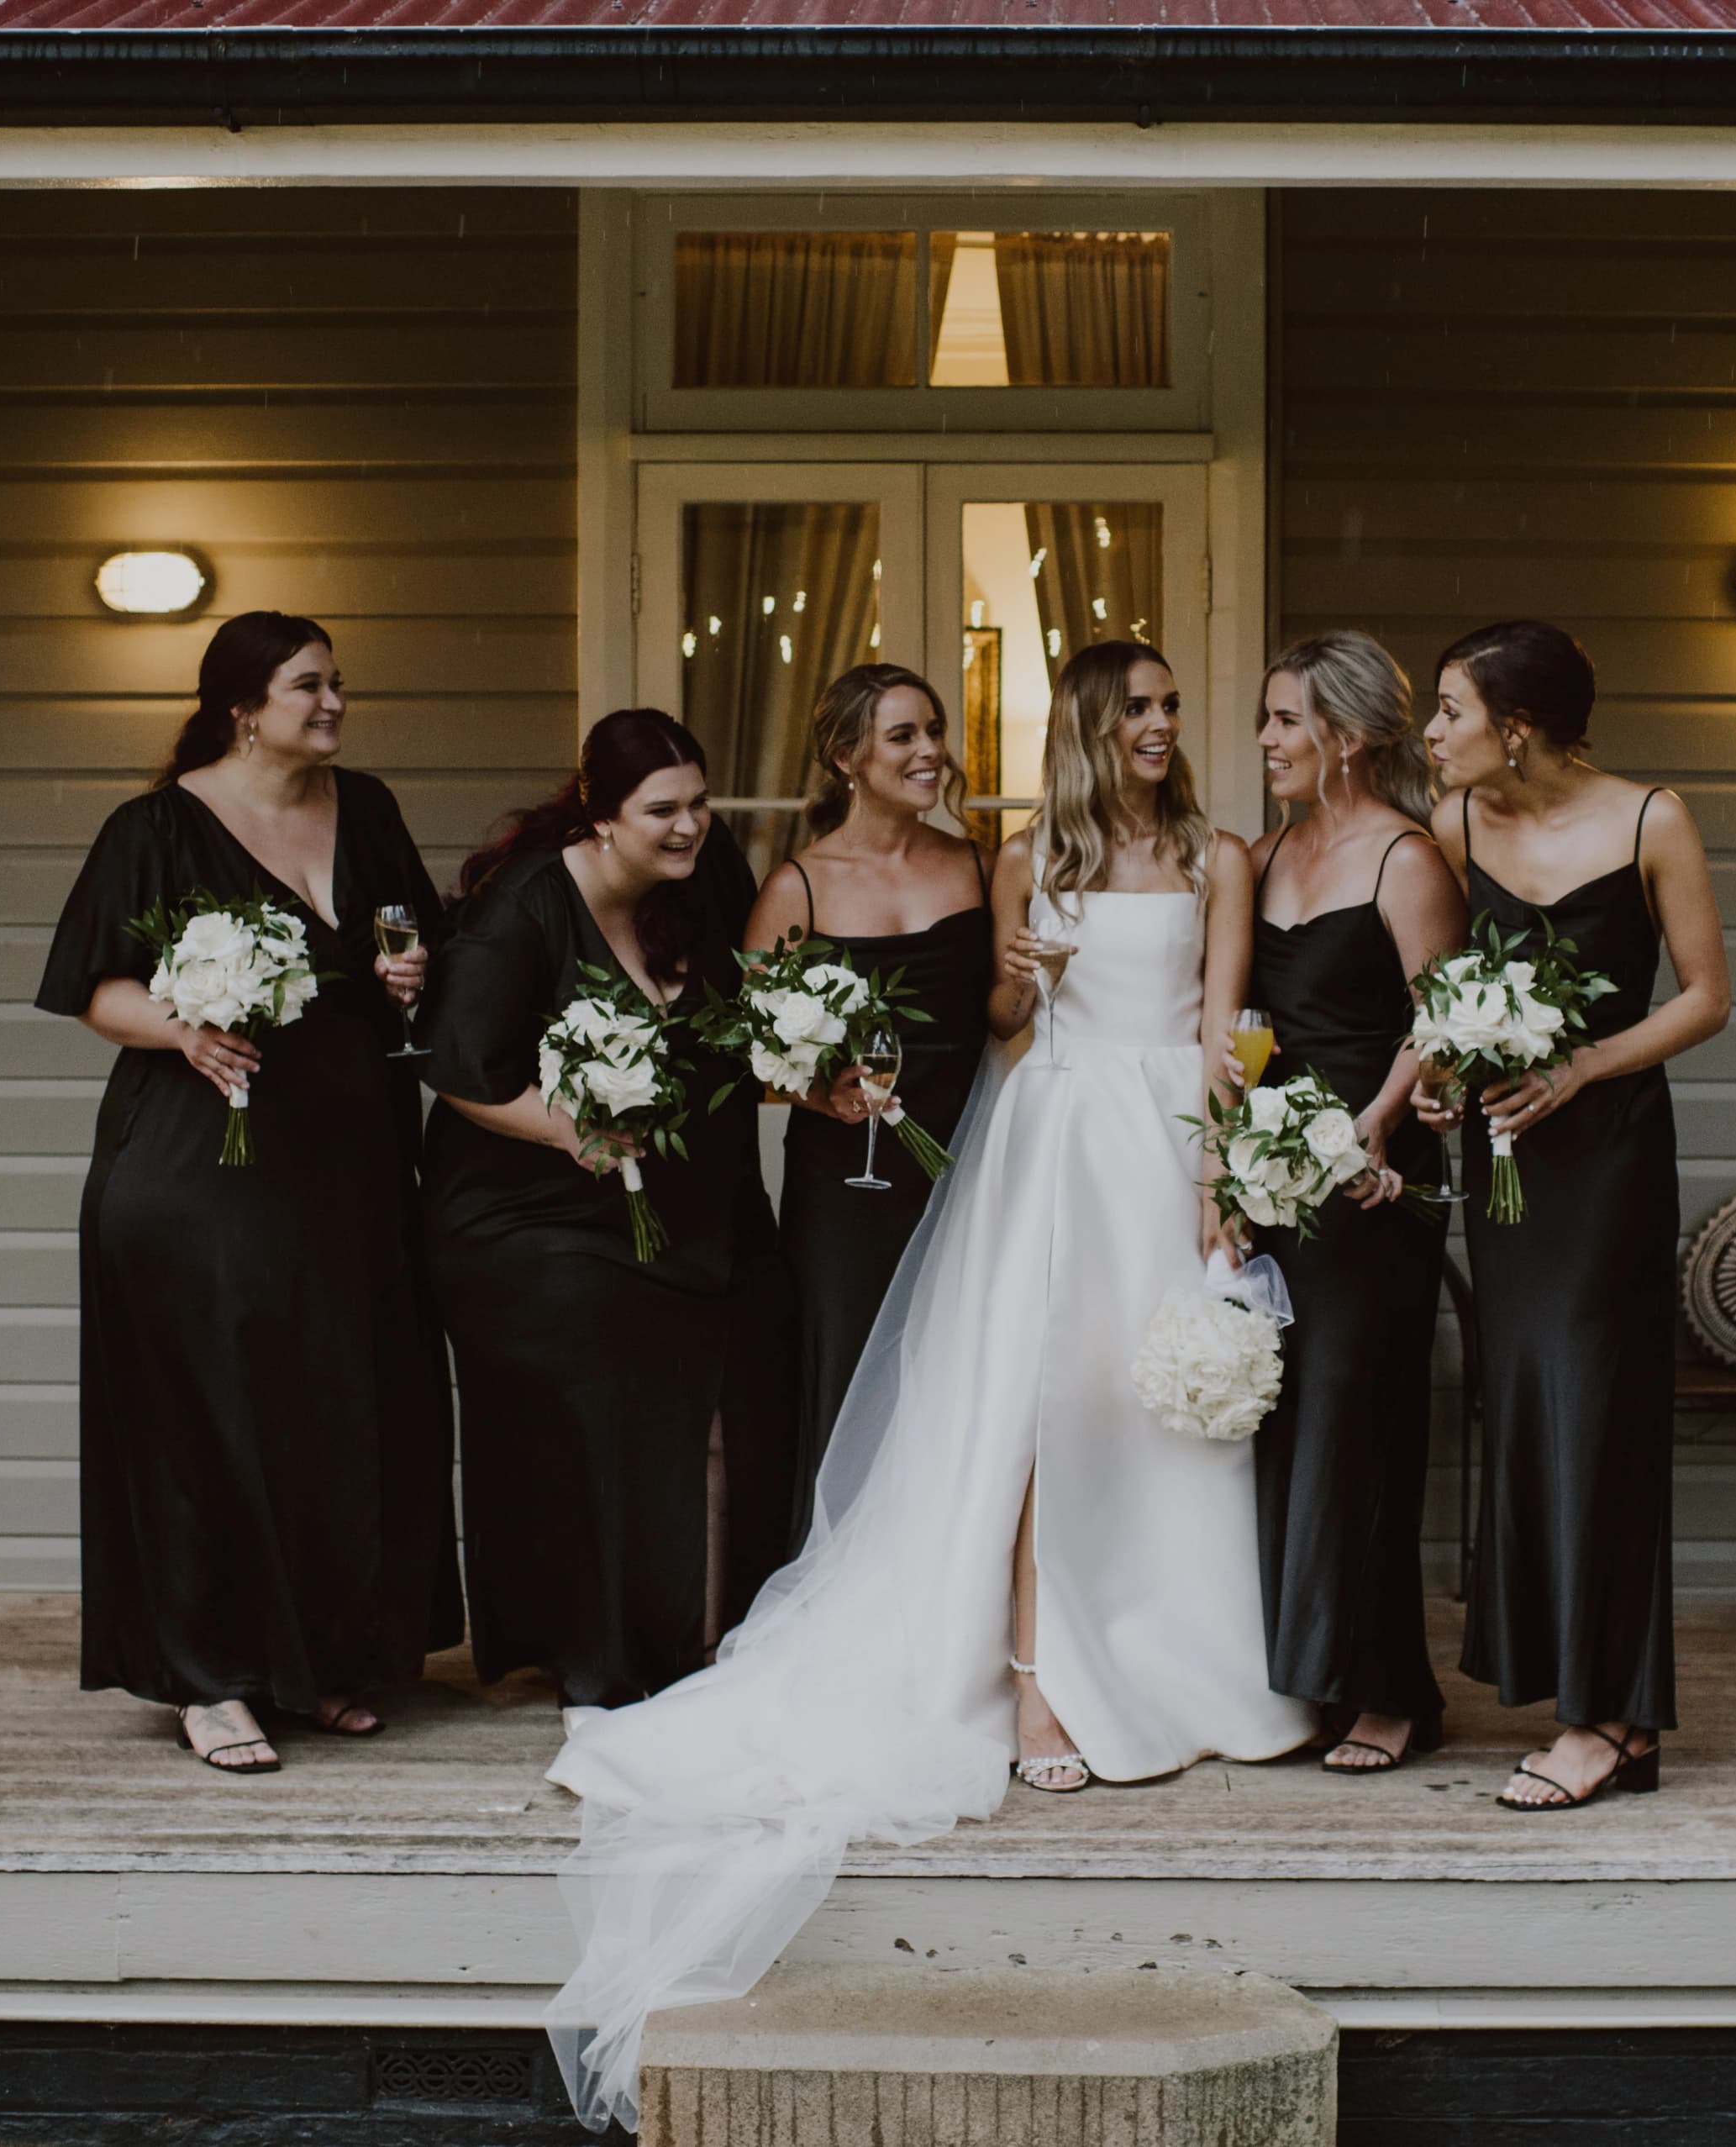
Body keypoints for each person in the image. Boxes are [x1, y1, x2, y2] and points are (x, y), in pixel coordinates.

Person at [540, 641, 1314, 2133]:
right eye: (1136, 709)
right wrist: (1019, 993)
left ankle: (1174, 1656)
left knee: (1151, 1409)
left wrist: (1227, 1176)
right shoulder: (1024, 859)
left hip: (1157, 1146)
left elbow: (1224, 1029)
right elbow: (1006, 1032)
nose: (1161, 727)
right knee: (1030, 1409)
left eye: (1171, 706)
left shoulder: (1218, 854)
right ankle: (1033, 1680)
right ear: (1093, 726)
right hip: (1050, 1148)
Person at [34, 610, 454, 1776]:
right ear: (241, 705)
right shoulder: (155, 825)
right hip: (196, 1163)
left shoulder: (364, 807)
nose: (332, 702)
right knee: (208, 1409)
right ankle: (209, 1677)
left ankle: (316, 1662)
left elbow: (411, 941)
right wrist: (185, 1030)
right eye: (307, 685)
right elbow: (93, 989)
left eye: (337, 683)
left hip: (351, 1164)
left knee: (336, 1402)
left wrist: (408, 973)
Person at [418, 709, 797, 1710]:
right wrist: (564, 1132)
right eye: (662, 809)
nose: (690, 826)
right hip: (529, 1210)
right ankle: (595, 1648)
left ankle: (714, 1627)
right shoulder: (525, 907)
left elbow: (743, 1016)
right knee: (597, 1353)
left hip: (681, 1199)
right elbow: (458, 1069)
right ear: (600, 816)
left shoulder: (705, 878)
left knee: (759, 1345)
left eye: (701, 803)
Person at [1413, 619, 1731, 1813]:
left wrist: (1586, 1067)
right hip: (1506, 1164)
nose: (1433, 732)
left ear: (1519, 726)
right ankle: (1601, 1707)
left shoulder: (1652, 819)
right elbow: (1444, 994)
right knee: (1533, 1408)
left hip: (1606, 1160)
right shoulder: (1454, 824)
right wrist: (1448, 1072)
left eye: (1450, 708)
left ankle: (1603, 1716)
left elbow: (1707, 996)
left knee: (1599, 1410)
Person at [1242, 630, 1463, 1775]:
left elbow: (1443, 1019)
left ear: (1353, 733)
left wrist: (1375, 1121)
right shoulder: (1269, 851)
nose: (1267, 738)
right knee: (1286, 1429)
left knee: (1358, 1427)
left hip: (1373, 1183)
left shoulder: (1407, 859)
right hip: (1274, 1173)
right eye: (1268, 719)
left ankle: (1391, 1688)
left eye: (1287, 719)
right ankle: (1313, 1672)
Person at [744, 663, 992, 1524]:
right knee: (850, 1368)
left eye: (933, 730)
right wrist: (818, 1095)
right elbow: (755, 1052)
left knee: (954, 1373)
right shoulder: (797, 886)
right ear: (847, 756)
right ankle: (834, 1571)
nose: (930, 751)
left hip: (966, 1165)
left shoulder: (979, 867)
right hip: (846, 1186)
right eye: (904, 736)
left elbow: (1007, 1014)